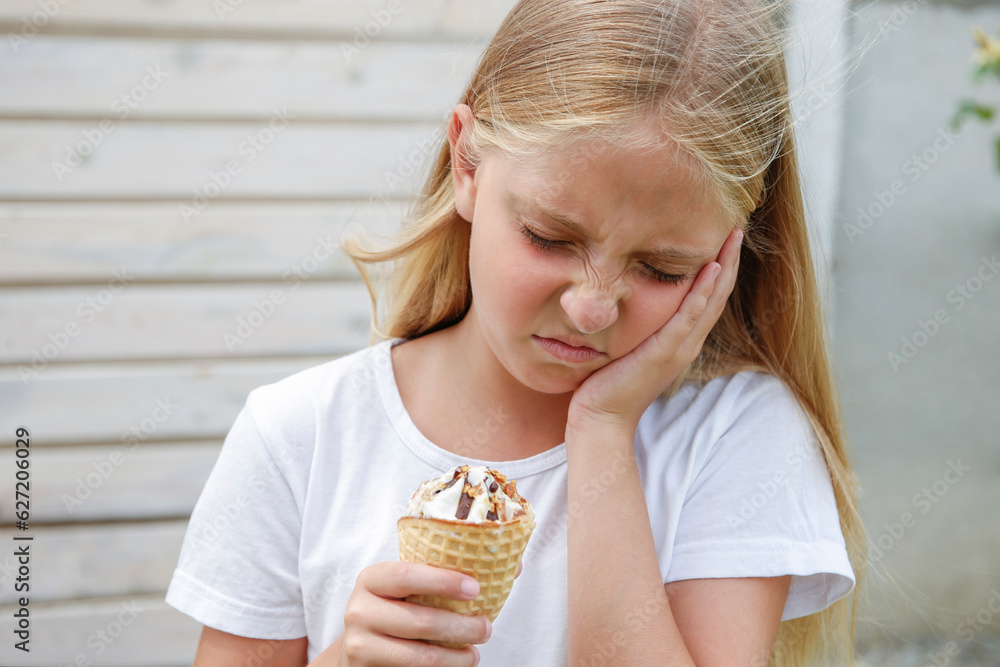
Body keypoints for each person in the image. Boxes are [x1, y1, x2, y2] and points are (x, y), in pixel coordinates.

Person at [166, 0, 866, 664]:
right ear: (467, 164)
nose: (592, 308)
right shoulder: (302, 436)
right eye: (549, 236)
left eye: (660, 267)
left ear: (728, 252)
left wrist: (601, 430)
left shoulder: (735, 435)